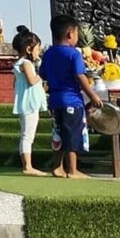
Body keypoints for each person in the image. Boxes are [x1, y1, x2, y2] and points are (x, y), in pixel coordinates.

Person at [39, 15, 102, 179]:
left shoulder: (48, 53)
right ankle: (73, 170)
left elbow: (43, 74)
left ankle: (57, 167)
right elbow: (80, 76)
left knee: (58, 133)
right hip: (72, 100)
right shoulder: (74, 54)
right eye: (76, 34)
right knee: (72, 134)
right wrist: (93, 96)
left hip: (55, 100)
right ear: (70, 34)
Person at [12, 29, 47, 176]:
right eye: (37, 48)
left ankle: (28, 165)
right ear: (28, 49)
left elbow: (16, 84)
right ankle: (28, 166)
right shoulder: (26, 63)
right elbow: (32, 81)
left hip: (26, 101)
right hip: (29, 103)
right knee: (28, 135)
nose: (39, 52)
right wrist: (43, 73)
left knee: (26, 134)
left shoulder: (20, 63)